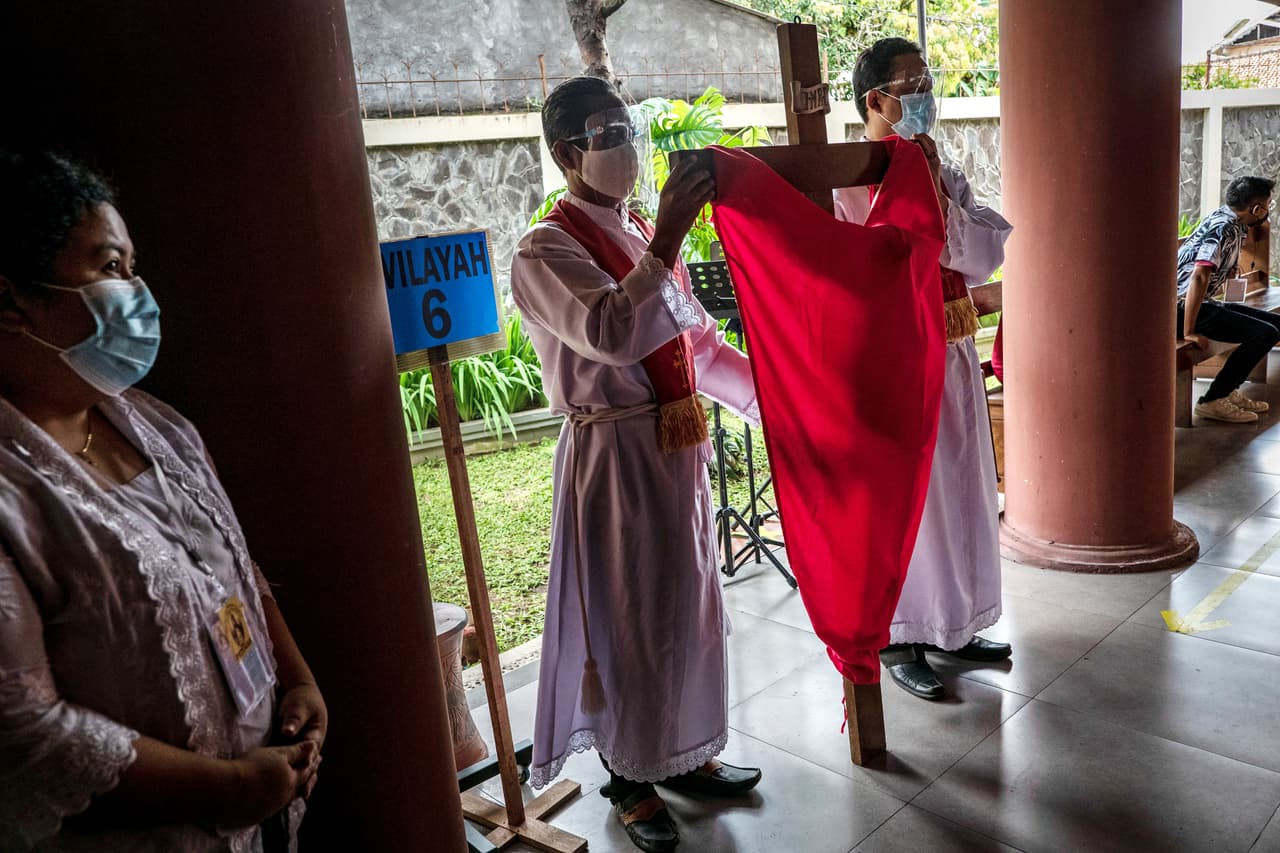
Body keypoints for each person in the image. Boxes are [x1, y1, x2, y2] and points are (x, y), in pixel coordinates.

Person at [0, 150, 327, 851]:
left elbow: (233, 568)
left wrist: (297, 678)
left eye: (131, 265)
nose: (137, 291)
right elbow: (26, 729)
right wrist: (231, 787)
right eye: (109, 267)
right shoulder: (11, 494)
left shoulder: (157, 424)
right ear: (11, 301)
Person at [511, 77, 761, 853]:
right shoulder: (545, 248)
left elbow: (698, 347)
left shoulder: (639, 228)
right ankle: (627, 777)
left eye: (627, 129)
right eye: (604, 133)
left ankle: (682, 752)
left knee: (684, 608)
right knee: (627, 618)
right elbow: (614, 332)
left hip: (675, 448)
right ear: (565, 154)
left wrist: (778, 399)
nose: (624, 145)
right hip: (614, 454)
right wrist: (667, 244)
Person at [834, 38, 1013, 700]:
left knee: (963, 487)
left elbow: (978, 255)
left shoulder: (940, 168)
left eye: (927, 81)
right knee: (910, 500)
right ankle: (901, 634)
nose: (924, 96)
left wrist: (934, 187)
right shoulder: (848, 175)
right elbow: (855, 270)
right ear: (875, 100)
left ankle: (955, 625)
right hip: (898, 360)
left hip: (956, 348)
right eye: (912, 85)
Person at [1177, 175, 1278, 423]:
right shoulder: (1224, 227)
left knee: (1275, 327)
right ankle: (1213, 400)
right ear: (1256, 208)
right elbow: (1199, 276)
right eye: (1268, 204)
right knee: (1263, 333)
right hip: (1182, 308)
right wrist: (1188, 331)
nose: (1268, 210)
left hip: (1201, 305)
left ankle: (1227, 389)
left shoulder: (1228, 220)